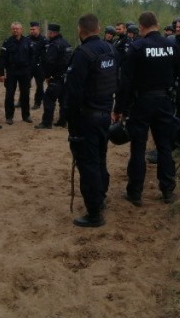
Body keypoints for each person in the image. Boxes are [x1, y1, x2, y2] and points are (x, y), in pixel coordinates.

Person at [113, 11, 180, 206]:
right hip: (164, 101)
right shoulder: (172, 45)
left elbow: (125, 82)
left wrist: (119, 108)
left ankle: (135, 193)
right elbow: (179, 72)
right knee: (164, 147)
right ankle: (167, 190)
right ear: (157, 24)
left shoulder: (137, 47)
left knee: (138, 148)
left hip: (142, 102)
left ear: (141, 27)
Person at [65, 13, 118, 227]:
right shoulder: (110, 50)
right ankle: (101, 196)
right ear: (97, 28)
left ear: (81, 30)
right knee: (99, 158)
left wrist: (70, 120)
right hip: (105, 114)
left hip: (86, 117)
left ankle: (94, 212)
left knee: (87, 165)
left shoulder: (82, 54)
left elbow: (73, 92)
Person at [35, 23, 72, 129]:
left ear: (51, 33)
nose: (47, 34)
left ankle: (46, 122)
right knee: (63, 100)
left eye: (48, 32)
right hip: (66, 77)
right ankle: (63, 121)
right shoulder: (66, 43)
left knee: (48, 99)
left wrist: (47, 76)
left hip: (56, 77)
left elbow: (49, 62)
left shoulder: (54, 45)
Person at [0, 21, 34, 124]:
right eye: (13, 28)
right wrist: (1, 73)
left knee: (25, 94)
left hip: (24, 71)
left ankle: (26, 116)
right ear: (11, 30)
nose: (15, 30)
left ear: (21, 30)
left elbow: (33, 56)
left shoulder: (28, 41)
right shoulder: (7, 42)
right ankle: (9, 117)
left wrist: (30, 70)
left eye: (17, 28)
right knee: (9, 94)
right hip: (11, 71)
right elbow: (2, 58)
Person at [29, 21, 48, 110]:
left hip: (39, 66)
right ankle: (22, 101)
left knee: (40, 85)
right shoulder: (27, 39)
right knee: (24, 84)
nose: (32, 31)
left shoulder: (44, 40)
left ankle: (37, 102)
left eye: (34, 29)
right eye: (31, 29)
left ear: (38, 29)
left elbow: (47, 55)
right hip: (29, 66)